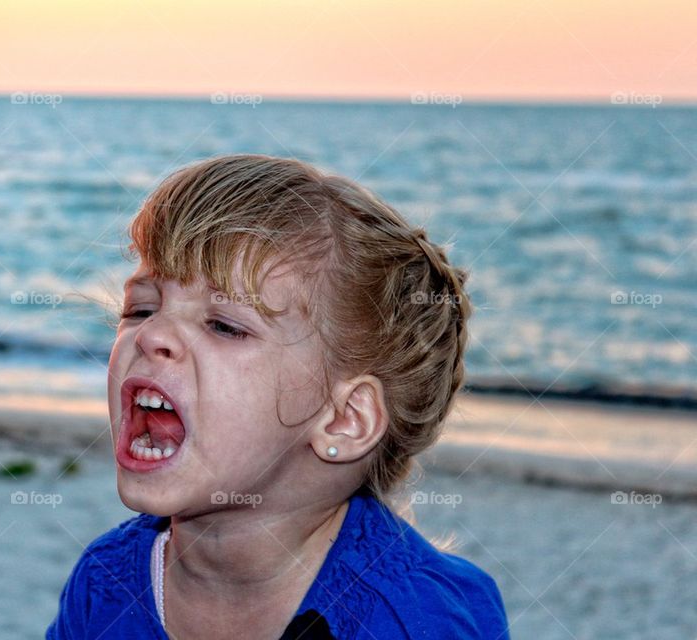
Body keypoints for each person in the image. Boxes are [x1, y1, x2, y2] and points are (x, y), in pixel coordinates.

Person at [46, 154, 510, 639]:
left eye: (224, 325)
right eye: (142, 308)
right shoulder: (105, 586)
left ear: (344, 420)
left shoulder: (415, 620)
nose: (152, 334)